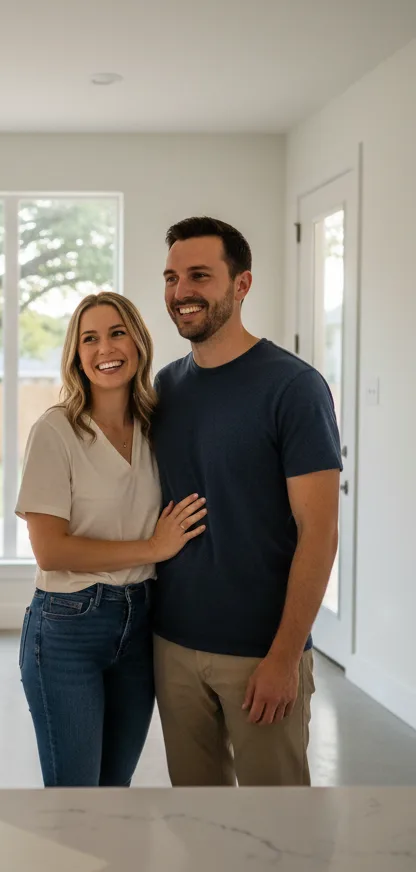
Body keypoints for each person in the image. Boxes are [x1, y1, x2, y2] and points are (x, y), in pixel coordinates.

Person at [152, 216, 342, 786]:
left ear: (242, 284)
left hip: (261, 652)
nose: (181, 291)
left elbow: (319, 531)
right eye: (172, 278)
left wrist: (284, 657)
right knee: (196, 818)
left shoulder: (293, 387)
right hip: (173, 645)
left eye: (200, 275)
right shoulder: (165, 387)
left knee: (278, 825)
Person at [16, 292, 207, 787]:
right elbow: (50, 550)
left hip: (142, 625)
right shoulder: (56, 431)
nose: (105, 348)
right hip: (68, 629)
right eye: (90, 338)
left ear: (138, 342)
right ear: (76, 355)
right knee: (75, 798)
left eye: (117, 333)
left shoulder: (155, 428)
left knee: (115, 793)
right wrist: (152, 549)